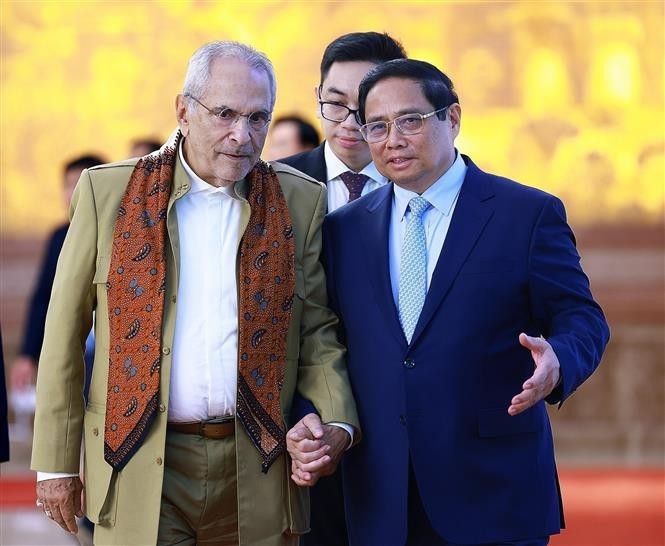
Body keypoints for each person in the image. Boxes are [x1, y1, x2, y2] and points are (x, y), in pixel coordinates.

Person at [30, 41, 359, 546]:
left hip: (259, 464)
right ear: (183, 110)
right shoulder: (107, 193)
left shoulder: (299, 200)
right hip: (139, 461)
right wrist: (55, 463)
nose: (242, 135)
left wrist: (336, 421)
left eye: (258, 118)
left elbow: (315, 330)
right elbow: (64, 335)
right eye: (225, 113)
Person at [288, 59, 610, 546]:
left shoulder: (525, 213)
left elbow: (580, 316)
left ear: (452, 118)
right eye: (377, 125)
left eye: (410, 120)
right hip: (381, 494)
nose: (392, 139)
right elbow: (324, 341)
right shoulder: (343, 229)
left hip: (493, 490)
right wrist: (312, 415)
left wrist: (559, 362)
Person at [10, 155, 106, 395]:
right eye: (68, 184)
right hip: (72, 348)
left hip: (110, 352)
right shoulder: (58, 237)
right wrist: (27, 354)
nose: (72, 192)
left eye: (80, 183)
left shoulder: (120, 233)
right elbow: (43, 296)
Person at [280, 31, 406, 212]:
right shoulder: (276, 182)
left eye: (365, 107)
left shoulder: (417, 183)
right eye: (336, 103)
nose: (350, 123)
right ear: (318, 99)